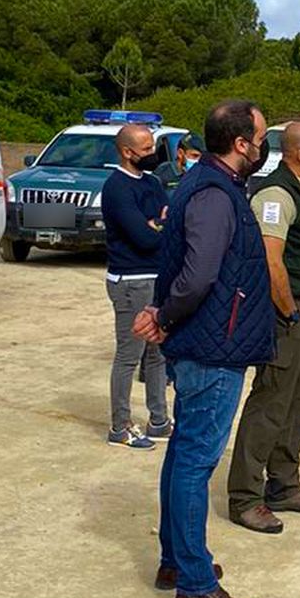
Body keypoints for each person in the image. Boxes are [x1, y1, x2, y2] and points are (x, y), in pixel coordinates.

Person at [133, 100, 274, 598]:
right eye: (260, 138)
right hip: (213, 349)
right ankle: (193, 584)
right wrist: (166, 316)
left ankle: (176, 561)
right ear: (241, 144)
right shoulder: (215, 193)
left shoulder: (204, 183)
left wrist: (163, 314)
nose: (263, 148)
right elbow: (197, 276)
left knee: (184, 456)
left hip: (208, 341)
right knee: (196, 461)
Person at [226, 123, 300, 535]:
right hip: (288, 314)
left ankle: (284, 485)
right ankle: (245, 498)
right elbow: (272, 264)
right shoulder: (276, 194)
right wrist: (289, 312)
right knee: (270, 406)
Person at [99, 123, 171, 449]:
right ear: (127, 152)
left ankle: (159, 420)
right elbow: (142, 238)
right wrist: (157, 226)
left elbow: (170, 220)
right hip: (130, 282)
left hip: (157, 278)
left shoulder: (153, 182)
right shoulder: (116, 188)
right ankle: (121, 426)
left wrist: (157, 225)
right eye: (145, 150)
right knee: (130, 355)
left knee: (157, 354)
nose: (152, 154)